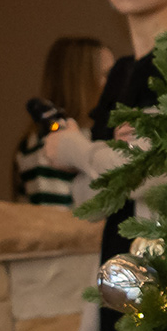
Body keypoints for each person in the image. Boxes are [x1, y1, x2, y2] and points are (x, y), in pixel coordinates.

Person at [15, 0, 167, 264]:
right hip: (117, 266)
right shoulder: (121, 73)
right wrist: (94, 159)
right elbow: (92, 202)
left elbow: (153, 172)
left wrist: (77, 150)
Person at [14, 37, 111, 207]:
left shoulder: (96, 135)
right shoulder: (47, 145)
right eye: (107, 74)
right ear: (81, 81)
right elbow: (55, 217)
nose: (116, 83)